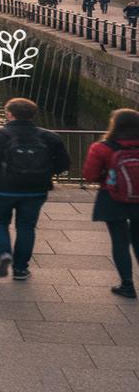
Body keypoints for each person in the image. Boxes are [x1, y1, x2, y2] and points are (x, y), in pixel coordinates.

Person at [0, 97, 71, 281]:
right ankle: (20, 269)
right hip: (35, 190)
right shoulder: (50, 137)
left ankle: (4, 253)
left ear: (9, 114)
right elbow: (64, 164)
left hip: (2, 189)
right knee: (26, 227)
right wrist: (45, 175)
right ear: (33, 114)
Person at [80, 109, 139, 299]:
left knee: (120, 242)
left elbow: (89, 176)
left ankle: (127, 285)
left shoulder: (102, 148)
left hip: (112, 198)